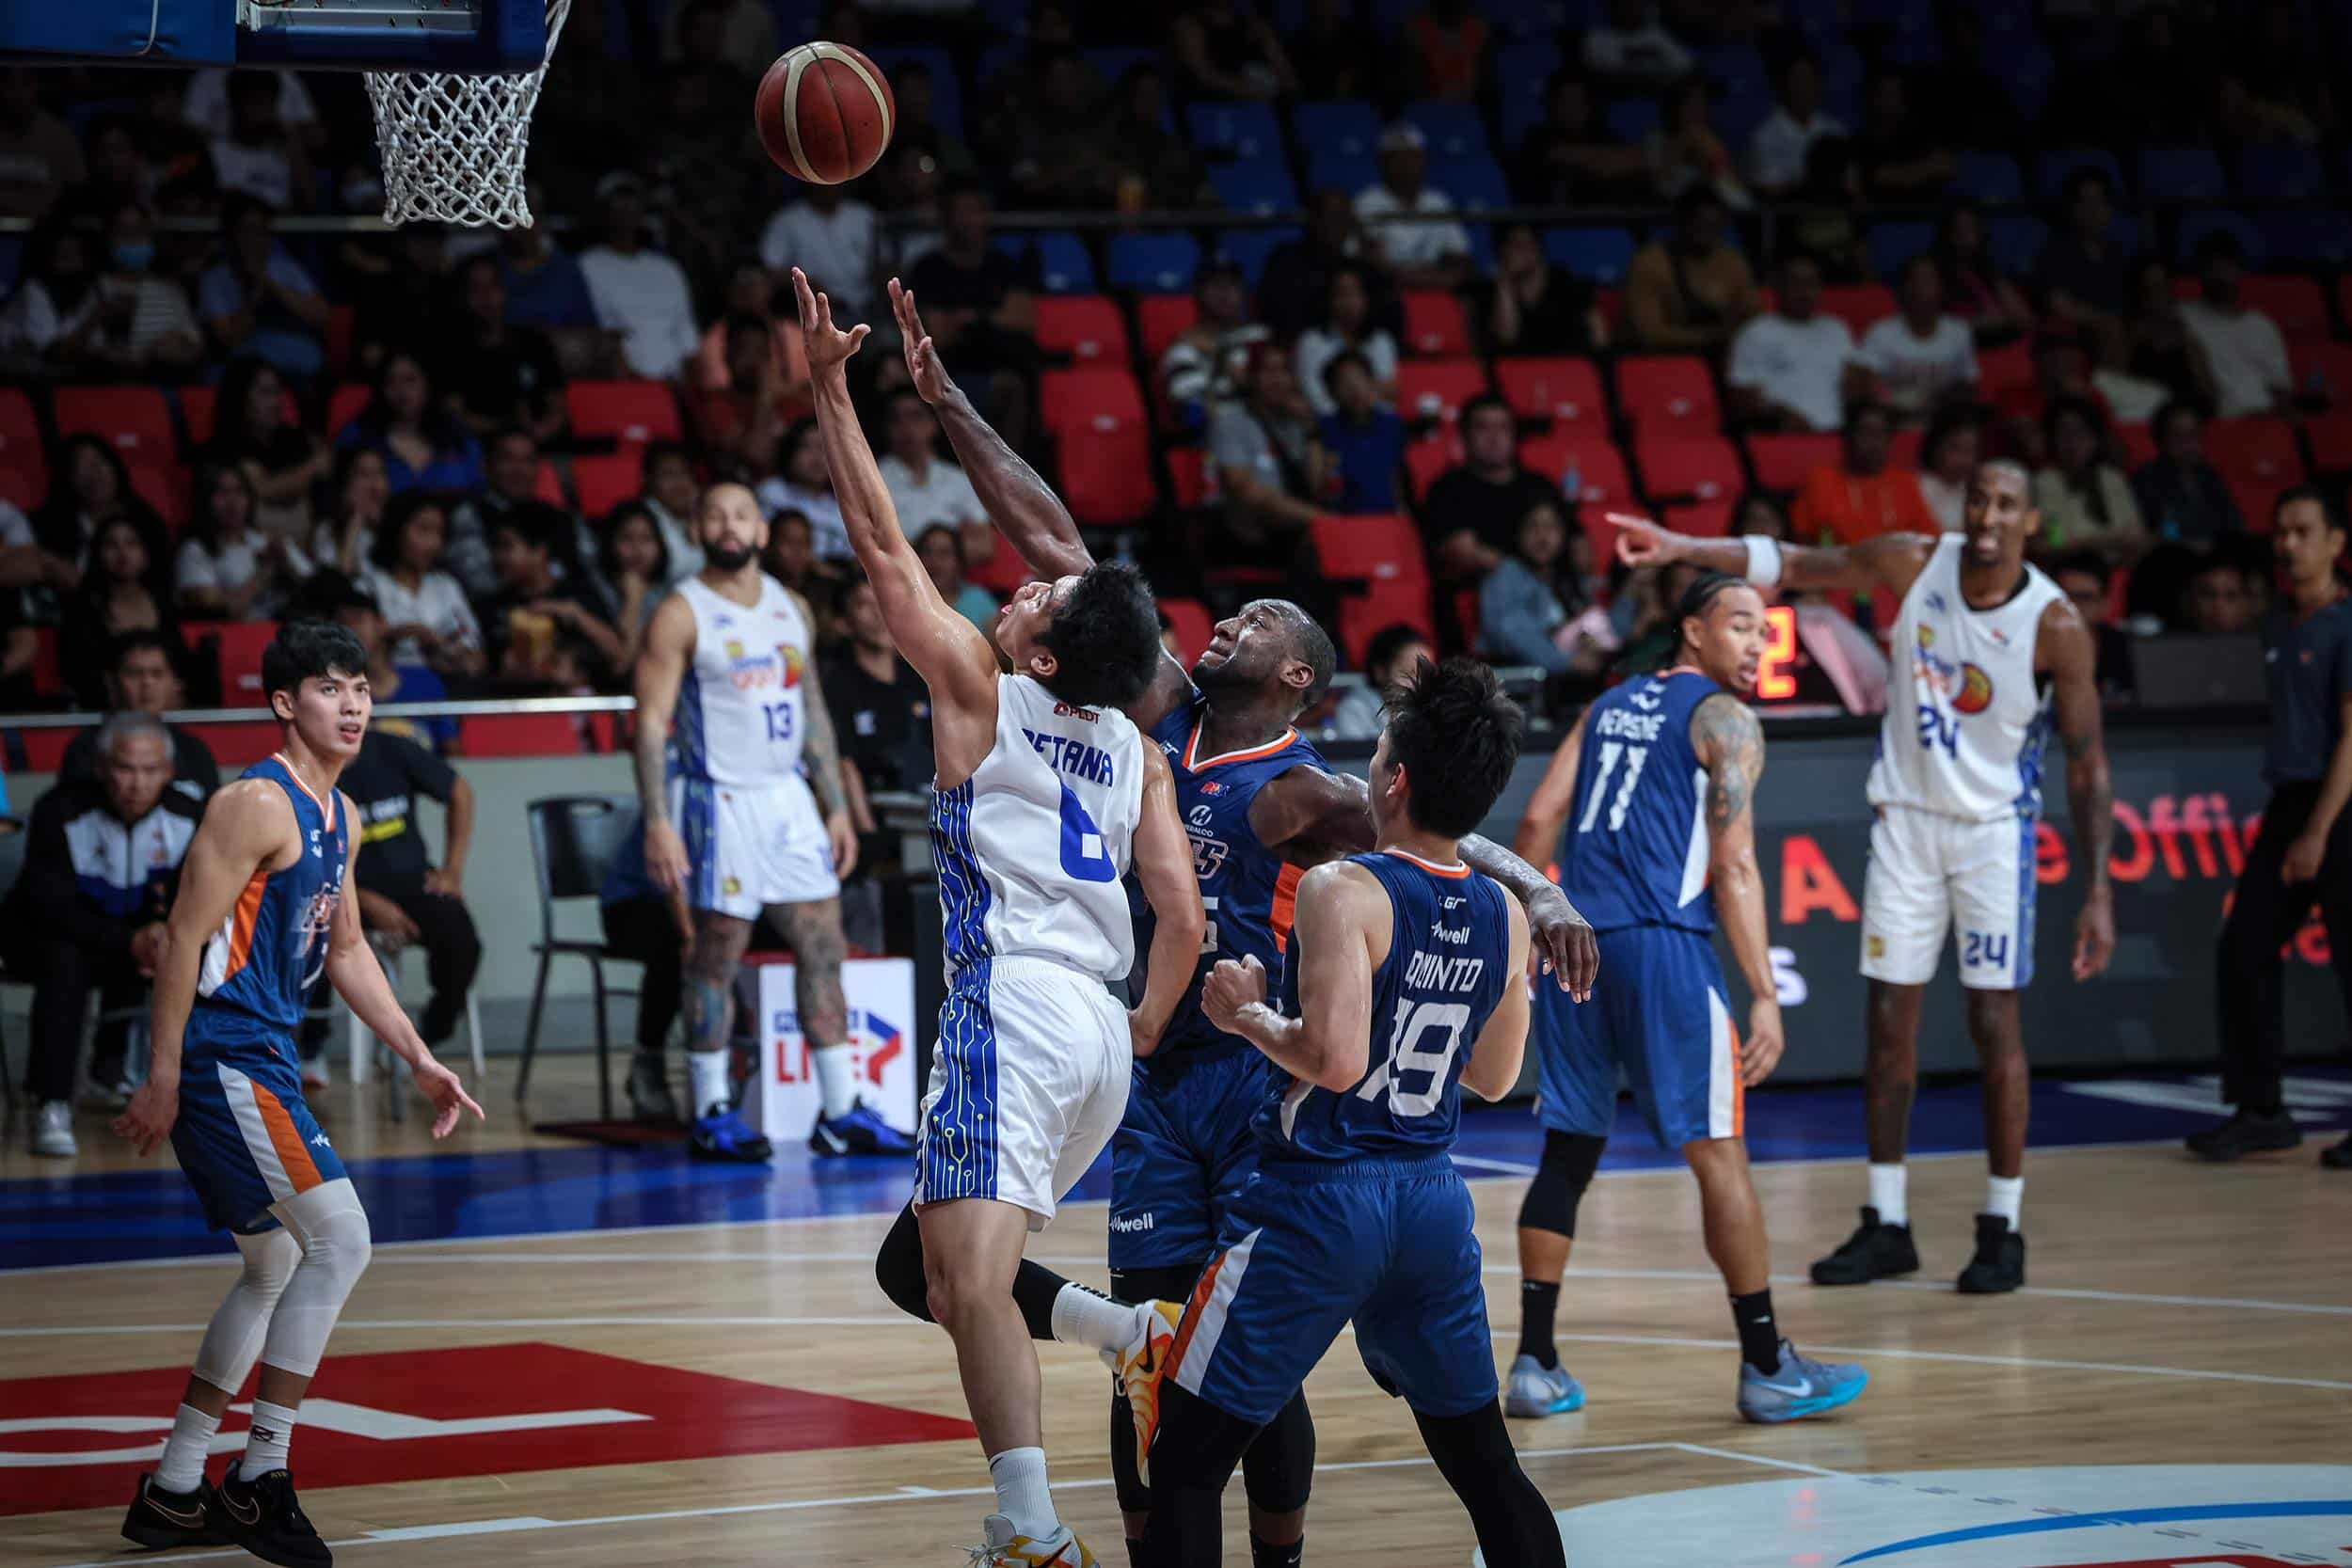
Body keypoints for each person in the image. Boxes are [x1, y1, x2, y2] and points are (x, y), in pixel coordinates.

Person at [888, 275, 1596, 1568]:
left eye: (1261, 619)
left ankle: (1275, 1552)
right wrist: (949, 406)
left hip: (1251, 1080)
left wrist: (1533, 887)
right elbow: (1064, 549)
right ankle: (1155, 1527)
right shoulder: (1157, 710)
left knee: (1232, 1377)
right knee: (1147, 1358)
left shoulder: (1309, 788)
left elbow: (1439, 830)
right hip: (1154, 1074)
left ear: (1297, 675)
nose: (1234, 616)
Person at [801, 267, 1201, 1568]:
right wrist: (1136, 1031)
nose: (1021, 584)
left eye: (1035, 595)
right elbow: (1179, 918)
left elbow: (878, 548)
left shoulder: (979, 683)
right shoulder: (1131, 734)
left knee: (964, 1283)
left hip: (1015, 1002)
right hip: (1095, 1033)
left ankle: (1029, 1531)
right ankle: (1120, 1333)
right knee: (911, 1263)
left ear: (1038, 649)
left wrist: (830, 394)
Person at [1612, 461, 2116, 1296]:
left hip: (1995, 836)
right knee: (1887, 1022)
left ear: (2033, 522)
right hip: (1907, 824)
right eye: (1980, 497)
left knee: (1996, 1026)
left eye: (2007, 505)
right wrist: (1681, 546)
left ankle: (2003, 1223)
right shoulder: (1913, 561)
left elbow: (2090, 765)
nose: (1988, 515)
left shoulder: (2054, 624)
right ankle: (1886, 1221)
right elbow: (1795, 563)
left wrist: (2097, 886)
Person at [1128, 656, 1566, 1568]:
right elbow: (1493, 1073)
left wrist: (1244, 1015)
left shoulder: (1345, 886)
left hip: (1319, 1201)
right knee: (1485, 1463)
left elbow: (1332, 1059)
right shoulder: (1501, 907)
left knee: (1181, 1458)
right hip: (1433, 1204)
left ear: (1394, 776)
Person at [108, 621, 482, 1560]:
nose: (353, 702)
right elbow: (181, 940)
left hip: (259, 1054)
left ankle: (175, 1485)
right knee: (343, 1235)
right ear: (283, 703)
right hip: (224, 1054)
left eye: (361, 686)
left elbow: (348, 948)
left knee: (274, 1264)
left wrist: (417, 1053)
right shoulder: (252, 803)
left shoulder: (341, 813)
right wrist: (161, 1075)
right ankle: (260, 1474)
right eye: (329, 686)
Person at [1505, 572, 1868, 1423]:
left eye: (1764, 633)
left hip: (1576, 944)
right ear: (1694, 632)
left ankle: (1534, 1362)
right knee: (1719, 1153)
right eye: (1740, 625)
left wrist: (1535, 921)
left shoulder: (1607, 705)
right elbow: (1735, 864)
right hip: (1665, 947)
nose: (1755, 644)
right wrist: (1767, 996)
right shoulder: (1725, 719)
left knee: (1567, 1149)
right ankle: (1768, 1363)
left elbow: (1536, 824)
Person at [630, 478, 889, 1161]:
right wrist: (659, 820)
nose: (729, 524)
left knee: (825, 945)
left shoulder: (791, 607)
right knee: (716, 951)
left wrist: (834, 803)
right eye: (714, 513)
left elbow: (814, 715)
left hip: (787, 798)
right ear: (696, 528)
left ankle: (842, 1110)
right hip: (719, 801)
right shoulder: (680, 612)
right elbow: (651, 725)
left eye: (742, 512)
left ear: (763, 529)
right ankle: (712, 1106)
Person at [2191, 489, 2352, 1170]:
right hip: (2290, 798)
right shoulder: (2280, 624)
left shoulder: (2347, 624)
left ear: (2336, 542)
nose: (2289, 544)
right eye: (2281, 531)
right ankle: (2261, 1110)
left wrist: (2318, 831)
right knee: (2245, 944)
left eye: (2303, 531)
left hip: (2340, 803)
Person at [5, 714, 199, 1155]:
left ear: (168, 772)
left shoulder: (189, 817)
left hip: (145, 941)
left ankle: (195, 1099)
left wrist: (161, 935)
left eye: (150, 771)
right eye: (125, 769)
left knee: (195, 955)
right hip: (60, 939)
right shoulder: (59, 811)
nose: (137, 783)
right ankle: (52, 1104)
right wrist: (128, 940)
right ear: (101, 767)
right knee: (64, 960)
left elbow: (199, 897)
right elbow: (47, 907)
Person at [335, 715, 482, 1056]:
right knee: (315, 933)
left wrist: (452, 871)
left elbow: (460, 792)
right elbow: (304, 862)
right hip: (343, 894)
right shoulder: (309, 770)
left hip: (412, 884)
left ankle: (430, 1033)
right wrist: (366, 902)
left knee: (461, 938)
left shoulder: (392, 749)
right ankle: (311, 1046)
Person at [820, 575, 936, 869]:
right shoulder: (837, 682)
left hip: (930, 812)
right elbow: (844, 762)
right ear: (843, 622)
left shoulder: (918, 676)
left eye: (883, 602)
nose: (878, 614)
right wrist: (868, 835)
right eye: (863, 605)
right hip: (875, 816)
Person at [58, 630, 222, 802]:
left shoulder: (194, 751)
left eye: (157, 673)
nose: (147, 683)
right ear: (111, 682)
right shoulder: (85, 750)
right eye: (134, 673)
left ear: (174, 684)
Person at [480, 508, 625, 691]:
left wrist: (574, 614)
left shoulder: (579, 594)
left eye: (507, 547)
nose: (498, 557)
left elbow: (619, 657)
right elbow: (485, 670)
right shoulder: (494, 606)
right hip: (517, 710)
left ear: (539, 551)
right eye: (496, 548)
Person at [1421, 395, 1558, 586]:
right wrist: (1525, 575)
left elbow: (1577, 544)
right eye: (1482, 428)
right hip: (1487, 594)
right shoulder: (1448, 489)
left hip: (1551, 587)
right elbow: (1462, 553)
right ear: (1465, 436)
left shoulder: (1540, 485)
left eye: (1502, 428)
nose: (1494, 438)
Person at [580, 172, 701, 382]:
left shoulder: (668, 270)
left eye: (631, 201)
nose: (626, 208)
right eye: (617, 202)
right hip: (623, 387)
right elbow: (602, 337)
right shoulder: (587, 266)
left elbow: (688, 343)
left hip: (674, 387)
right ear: (603, 211)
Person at [1726, 254, 1867, 433]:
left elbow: (1853, 380)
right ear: (1778, 287)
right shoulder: (1756, 333)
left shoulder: (1836, 329)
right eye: (1796, 283)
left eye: (1811, 284)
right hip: (1785, 434)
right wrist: (1780, 415)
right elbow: (1741, 396)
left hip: (1839, 433)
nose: (1804, 292)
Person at [196, 196, 328, 385]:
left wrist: (268, 282)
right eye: (246, 230)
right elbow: (228, 339)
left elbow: (321, 316)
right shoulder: (214, 278)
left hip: (295, 357)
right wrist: (254, 296)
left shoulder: (284, 268)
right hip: (240, 362)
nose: (254, 239)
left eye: (261, 230)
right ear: (231, 234)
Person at [441, 254, 567, 445]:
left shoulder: (534, 343)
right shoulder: (451, 351)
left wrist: (541, 432)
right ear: (463, 296)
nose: (487, 298)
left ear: (504, 291)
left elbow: (557, 405)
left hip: (538, 446)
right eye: (476, 289)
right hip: (479, 447)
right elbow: (454, 415)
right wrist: (506, 431)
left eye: (493, 287)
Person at [59, 517, 182, 710]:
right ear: (97, 554)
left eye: (131, 544)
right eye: (111, 545)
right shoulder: (83, 609)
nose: (123, 553)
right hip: (102, 711)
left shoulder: (164, 604)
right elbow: (79, 672)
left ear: (146, 554)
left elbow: (180, 664)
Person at [209, 357, 329, 549]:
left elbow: (327, 466)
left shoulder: (294, 437)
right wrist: (311, 469)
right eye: (265, 393)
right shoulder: (225, 445)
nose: (276, 402)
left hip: (308, 548)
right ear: (241, 396)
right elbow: (260, 487)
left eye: (277, 392)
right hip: (251, 551)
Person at [1480, 499, 1606, 681]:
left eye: (1551, 527)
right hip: (1520, 679)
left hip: (1568, 679)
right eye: (1533, 526)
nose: (1542, 535)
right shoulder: (1505, 574)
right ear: (1518, 533)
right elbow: (1513, 631)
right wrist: (1567, 662)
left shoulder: (1566, 575)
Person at [362, 492, 485, 679]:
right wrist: (407, 633)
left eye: (439, 533)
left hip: (445, 688)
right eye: (424, 530)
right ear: (397, 530)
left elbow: (475, 651)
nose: (434, 543)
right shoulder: (370, 585)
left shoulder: (446, 586)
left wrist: (458, 657)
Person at [1624, 184, 1758, 353]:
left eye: (1714, 226)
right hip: (1660, 360)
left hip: (1723, 356)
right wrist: (1713, 336)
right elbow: (1648, 334)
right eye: (1698, 225)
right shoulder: (1649, 264)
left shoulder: (1733, 262)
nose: (1706, 236)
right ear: (1680, 222)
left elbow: (1755, 319)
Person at [176, 461, 313, 621]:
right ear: (206, 498)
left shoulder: (268, 542)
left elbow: (318, 589)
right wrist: (262, 575)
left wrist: (287, 566)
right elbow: (216, 613)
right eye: (222, 492)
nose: (232, 501)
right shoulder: (194, 551)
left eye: (239, 491)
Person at [336, 351, 486, 497]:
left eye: (410, 379)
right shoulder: (357, 436)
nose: (401, 390)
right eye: (390, 381)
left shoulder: (458, 438)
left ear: (428, 384)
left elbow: (479, 492)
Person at [2178, 230, 2292, 420]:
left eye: (2227, 268)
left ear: (2240, 270)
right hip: (2213, 421)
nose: (2221, 277)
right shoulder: (2183, 316)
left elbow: (2280, 388)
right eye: (2213, 269)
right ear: (2200, 272)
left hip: (2264, 419)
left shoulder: (2261, 325)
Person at [1790, 401, 1937, 546]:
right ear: (1847, 437)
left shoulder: (1904, 482)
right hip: (1837, 566)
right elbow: (1803, 540)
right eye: (1865, 433)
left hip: (1898, 566)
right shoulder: (1821, 480)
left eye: (1881, 433)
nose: (1874, 443)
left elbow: (1929, 539)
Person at [1860, 256, 1979, 425]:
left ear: (1941, 287)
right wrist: (1891, 399)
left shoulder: (1959, 332)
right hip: (1894, 423)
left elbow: (1969, 385)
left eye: (1929, 280)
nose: (1922, 288)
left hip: (1943, 424)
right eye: (1915, 281)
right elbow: (1864, 385)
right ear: (1904, 289)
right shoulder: (1881, 332)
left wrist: (1938, 400)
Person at [1353, 122, 1470, 291]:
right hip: (1389, 293)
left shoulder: (1437, 202)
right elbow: (1375, 264)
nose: (1407, 164)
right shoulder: (1368, 202)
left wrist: (1433, 279)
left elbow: (1461, 258)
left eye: (1413, 156)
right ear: (1382, 163)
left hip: (1436, 289)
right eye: (1398, 157)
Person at [1158, 261, 1272, 431]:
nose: (1224, 293)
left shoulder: (1260, 336)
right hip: (1222, 439)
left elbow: (1281, 393)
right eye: (1216, 285)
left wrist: (1220, 355)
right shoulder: (1183, 351)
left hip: (1274, 431)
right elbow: (1194, 413)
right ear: (1198, 293)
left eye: (1231, 284)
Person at [2033, 396, 2145, 563]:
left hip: (2119, 566)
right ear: (2052, 440)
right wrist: (2105, 539)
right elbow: (2054, 544)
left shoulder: (2112, 477)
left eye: (2080, 431)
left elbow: (2135, 534)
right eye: (2064, 433)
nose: (2073, 442)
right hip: (2071, 568)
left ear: (2095, 437)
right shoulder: (2044, 482)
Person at [878, 387, 989, 550]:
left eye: (915, 417)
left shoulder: (958, 480)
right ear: (887, 428)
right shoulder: (875, 479)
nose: (906, 427)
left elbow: (984, 544)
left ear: (933, 424)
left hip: (953, 574)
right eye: (897, 419)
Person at [756, 180, 880, 324]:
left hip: (866, 307)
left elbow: (884, 262)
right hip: (810, 311)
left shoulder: (864, 216)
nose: (828, 184)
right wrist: (805, 284)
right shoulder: (787, 220)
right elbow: (770, 269)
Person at [2039, 170, 2130, 364]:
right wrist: (2104, 320)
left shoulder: (2117, 251)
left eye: (2100, 201)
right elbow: (2060, 307)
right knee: (2111, 329)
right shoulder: (2056, 252)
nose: (2094, 209)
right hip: (2081, 333)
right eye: (2086, 202)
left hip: (2120, 327)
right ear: (2072, 207)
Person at [2132, 399, 2245, 544]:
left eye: (2194, 434)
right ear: (2162, 439)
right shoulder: (2146, 478)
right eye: (2179, 436)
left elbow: (2233, 523)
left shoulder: (2209, 474)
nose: (2189, 443)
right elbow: (2161, 532)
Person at [1294, 264, 1398, 420]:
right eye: (1342, 293)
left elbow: (1387, 396)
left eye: (1356, 293)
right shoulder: (1311, 342)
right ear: (1329, 298)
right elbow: (1316, 397)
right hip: (1329, 428)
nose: (1350, 301)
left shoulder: (1381, 340)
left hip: (1375, 426)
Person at [1486, 222, 1605, 357]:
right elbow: (1507, 336)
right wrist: (1504, 282)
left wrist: (1600, 363)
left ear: (1538, 247)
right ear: (1501, 251)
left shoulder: (1564, 282)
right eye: (1513, 245)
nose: (1522, 250)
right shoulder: (1493, 291)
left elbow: (1596, 328)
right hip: (1520, 368)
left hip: (1569, 364)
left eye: (1527, 244)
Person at [1317, 350, 1409, 515]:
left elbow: (1397, 478)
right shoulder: (1323, 429)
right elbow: (1322, 492)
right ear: (1331, 392)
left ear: (1372, 382)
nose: (1354, 388)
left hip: (1388, 518)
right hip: (1346, 521)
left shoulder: (1392, 424)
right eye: (1343, 382)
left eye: (1359, 379)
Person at [1746, 51, 1845, 198]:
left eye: (1810, 79)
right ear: (1783, 85)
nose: (1804, 87)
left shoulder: (1835, 130)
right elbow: (1771, 190)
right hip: (1787, 217)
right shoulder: (1764, 136)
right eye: (1798, 80)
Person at [1934, 203, 2033, 345]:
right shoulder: (1937, 275)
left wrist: (2000, 321)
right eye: (1961, 226)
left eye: (1972, 226)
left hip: (2002, 346)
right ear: (1949, 233)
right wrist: (1983, 323)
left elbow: (2025, 318)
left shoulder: (1989, 273)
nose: (1966, 232)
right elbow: (1932, 326)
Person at [755, 419, 851, 561]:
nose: (817, 457)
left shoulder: (843, 505)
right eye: (807, 447)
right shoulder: (773, 493)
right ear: (790, 451)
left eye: (823, 448)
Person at [596, 500, 673, 672]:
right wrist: (633, 599)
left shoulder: (672, 594)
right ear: (611, 543)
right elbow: (623, 663)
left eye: (646, 539)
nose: (638, 550)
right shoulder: (598, 592)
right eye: (627, 539)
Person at [313, 446, 391, 580]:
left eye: (380, 473)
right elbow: (340, 583)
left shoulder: (402, 527)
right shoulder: (328, 531)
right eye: (364, 475)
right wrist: (355, 525)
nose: (376, 485)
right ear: (345, 487)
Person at [915, 522, 1000, 634]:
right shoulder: (908, 601)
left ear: (960, 563)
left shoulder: (977, 600)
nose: (934, 562)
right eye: (928, 552)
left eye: (944, 554)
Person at [1581, 0, 1690, 84]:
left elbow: (1686, 67)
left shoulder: (1658, 36)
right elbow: (1600, 75)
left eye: (1635, 2)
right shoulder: (1597, 38)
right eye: (1625, 3)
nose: (1631, 7)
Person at [1917, 408, 1982, 531]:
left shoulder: (1973, 490)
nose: (1964, 460)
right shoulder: (1917, 487)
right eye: (1956, 449)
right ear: (1935, 448)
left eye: (1970, 451)